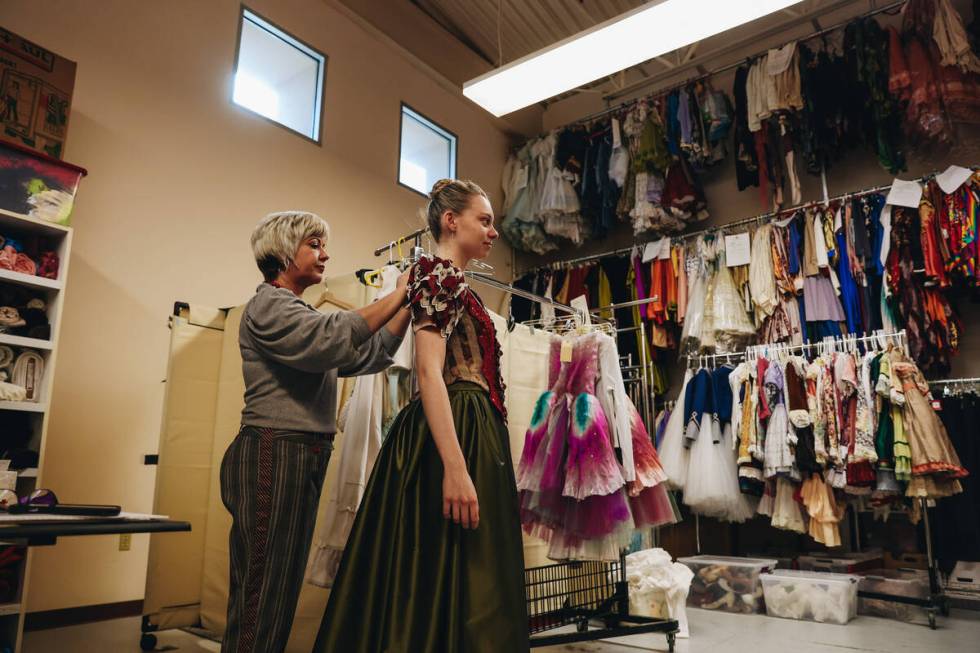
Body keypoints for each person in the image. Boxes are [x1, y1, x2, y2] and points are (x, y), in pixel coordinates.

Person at [314, 180, 529, 652]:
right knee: (457, 566)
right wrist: (455, 467)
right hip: (455, 429)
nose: (493, 232)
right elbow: (429, 373)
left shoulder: (447, 279)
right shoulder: (440, 275)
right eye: (485, 220)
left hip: (472, 425)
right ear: (452, 221)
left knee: (458, 568)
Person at [221, 211, 411, 653]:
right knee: (261, 590)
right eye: (314, 245)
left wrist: (410, 306)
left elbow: (369, 355)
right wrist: (400, 293)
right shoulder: (268, 305)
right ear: (284, 252)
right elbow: (332, 337)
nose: (325, 254)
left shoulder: (298, 315)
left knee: (278, 587)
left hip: (299, 452)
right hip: (273, 451)